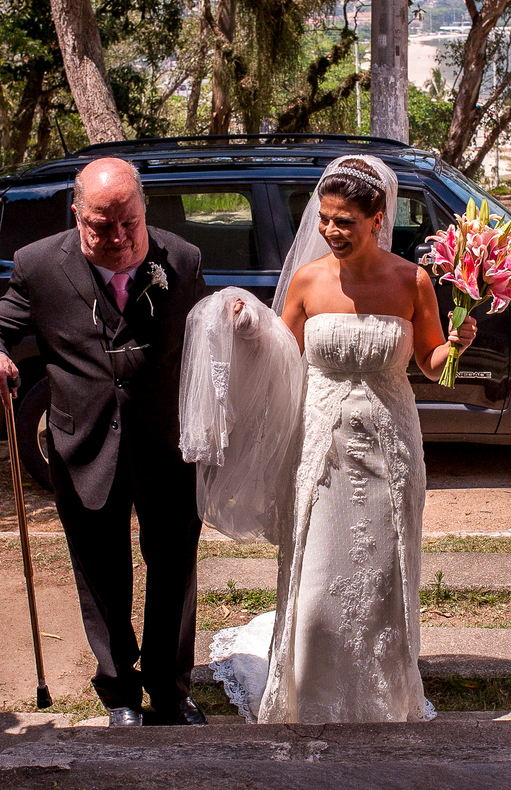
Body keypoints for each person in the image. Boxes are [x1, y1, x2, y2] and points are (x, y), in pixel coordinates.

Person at [180, 155, 476, 723]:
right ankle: (310, 693)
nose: (331, 231)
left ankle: (385, 696)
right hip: (321, 445)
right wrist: (246, 330)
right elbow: (280, 355)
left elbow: (433, 363)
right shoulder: (308, 280)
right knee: (317, 578)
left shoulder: (412, 281)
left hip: (390, 444)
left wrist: (456, 342)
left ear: (378, 218)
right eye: (326, 219)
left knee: (384, 573)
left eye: (345, 221)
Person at [0, 157, 207, 728]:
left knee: (173, 570)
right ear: (76, 214)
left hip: (167, 445)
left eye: (129, 222)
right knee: (101, 575)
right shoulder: (37, 266)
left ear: (143, 209)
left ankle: (170, 693)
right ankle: (120, 695)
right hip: (84, 445)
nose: (120, 239)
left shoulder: (182, 258)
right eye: (102, 227)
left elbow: (207, 332)